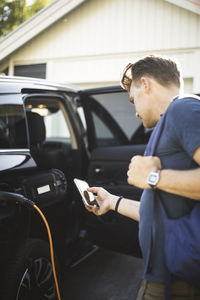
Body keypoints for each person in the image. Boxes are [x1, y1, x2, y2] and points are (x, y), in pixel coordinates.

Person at [85, 54, 200, 300]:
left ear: (146, 85)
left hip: (175, 283)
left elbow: (154, 179)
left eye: (133, 99)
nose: (135, 112)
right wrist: (112, 202)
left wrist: (153, 177)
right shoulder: (170, 120)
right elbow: (160, 211)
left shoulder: (183, 109)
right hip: (164, 277)